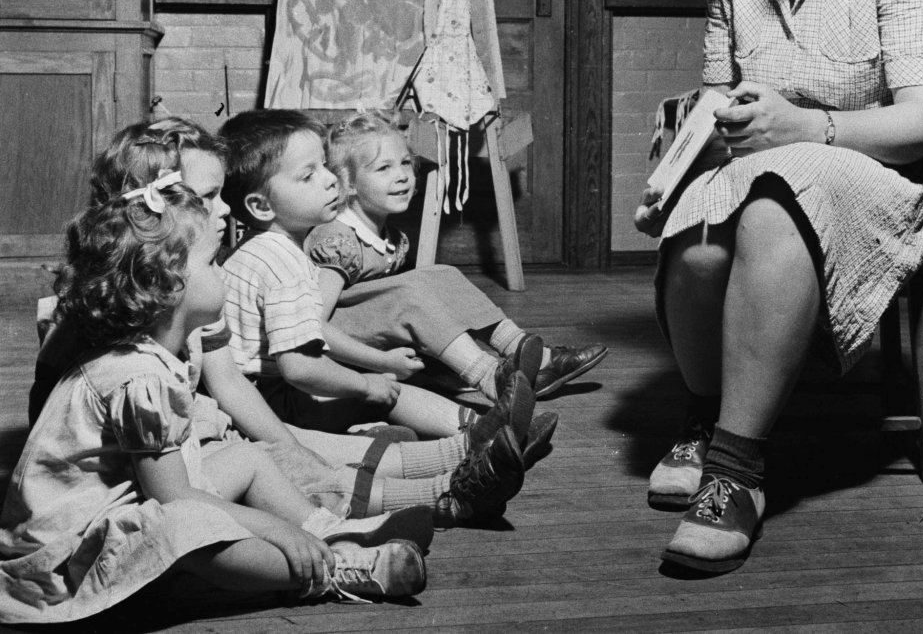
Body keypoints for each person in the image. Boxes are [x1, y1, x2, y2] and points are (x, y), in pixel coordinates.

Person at [636, 0, 923, 574]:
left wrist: (805, 125)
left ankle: (736, 472)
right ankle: (704, 416)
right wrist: (674, 171)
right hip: (768, 157)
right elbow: (718, 96)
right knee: (695, 234)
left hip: (870, 168)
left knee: (777, 204)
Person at [29, 117, 536, 527]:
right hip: (140, 461)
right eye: (207, 198)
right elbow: (56, 410)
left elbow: (226, 380)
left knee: (297, 448)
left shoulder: (198, 284)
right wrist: (278, 450)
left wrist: (286, 444)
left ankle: (463, 450)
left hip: (194, 423)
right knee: (285, 464)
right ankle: (443, 492)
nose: (223, 209)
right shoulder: (113, 305)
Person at [0, 178, 428, 625]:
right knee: (187, 524)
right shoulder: (137, 376)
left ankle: (325, 531)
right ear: (167, 287)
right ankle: (329, 571)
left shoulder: (159, 354)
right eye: (211, 262)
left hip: (116, 511)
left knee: (247, 458)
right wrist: (272, 528)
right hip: (68, 560)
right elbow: (174, 500)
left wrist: (283, 526)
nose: (223, 272)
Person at [216, 107, 552, 508]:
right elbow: (300, 367)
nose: (330, 179)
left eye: (324, 166)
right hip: (269, 402)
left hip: (263, 395)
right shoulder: (282, 261)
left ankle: (483, 428)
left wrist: (372, 372)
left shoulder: (264, 250)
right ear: (261, 206)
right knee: (387, 391)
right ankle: (479, 435)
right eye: (308, 176)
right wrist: (367, 381)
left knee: (384, 384)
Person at [305, 110, 608, 400]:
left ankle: (531, 356)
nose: (402, 176)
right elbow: (312, 326)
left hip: (372, 335)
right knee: (408, 295)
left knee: (441, 275)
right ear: (347, 184)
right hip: (340, 352)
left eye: (406, 163)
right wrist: (380, 361)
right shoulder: (337, 239)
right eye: (384, 168)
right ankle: (489, 378)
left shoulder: (387, 236)